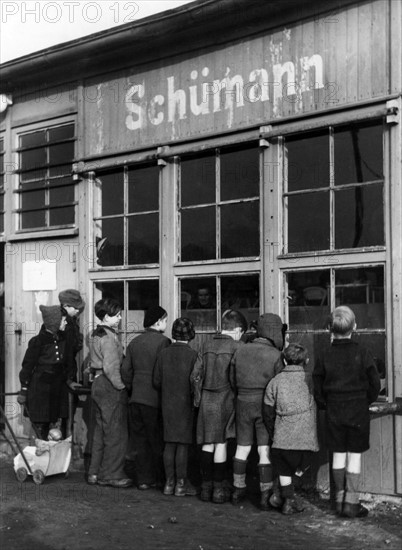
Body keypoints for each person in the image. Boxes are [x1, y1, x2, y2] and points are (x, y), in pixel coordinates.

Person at [313, 305, 380, 518]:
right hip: (358, 410)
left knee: (338, 455)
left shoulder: (325, 354)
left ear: (330, 329)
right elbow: (375, 384)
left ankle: (338, 501)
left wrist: (325, 403)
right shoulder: (363, 352)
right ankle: (351, 503)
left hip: (334, 410)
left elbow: (317, 384)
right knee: (354, 457)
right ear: (355, 327)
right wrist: (364, 400)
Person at [191, 309, 247, 504]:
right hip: (227, 399)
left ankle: (205, 488)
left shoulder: (206, 345)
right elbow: (238, 377)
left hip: (207, 399)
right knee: (221, 443)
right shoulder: (238, 347)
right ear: (238, 330)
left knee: (207, 443)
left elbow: (195, 375)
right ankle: (218, 489)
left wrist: (198, 398)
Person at [231, 312, 286, 510]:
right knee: (264, 450)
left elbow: (232, 379)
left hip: (242, 402)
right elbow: (279, 383)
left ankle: (238, 489)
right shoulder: (276, 355)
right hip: (264, 404)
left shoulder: (241, 350)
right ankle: (265, 494)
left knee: (242, 447)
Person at [263, 343, 319, 514]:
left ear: (284, 361)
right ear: (306, 361)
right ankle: (288, 498)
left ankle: (286, 499)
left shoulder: (275, 381)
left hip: (282, 441)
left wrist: (274, 432)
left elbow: (267, 411)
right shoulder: (310, 380)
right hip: (306, 443)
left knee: (283, 468)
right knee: (299, 466)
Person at [121, 305, 170, 490]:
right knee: (156, 441)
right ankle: (158, 479)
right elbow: (162, 372)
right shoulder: (163, 342)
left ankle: (142, 480)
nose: (166, 323)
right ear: (158, 322)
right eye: (165, 320)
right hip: (154, 399)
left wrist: (132, 387)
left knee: (139, 442)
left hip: (135, 399)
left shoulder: (134, 342)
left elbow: (125, 371)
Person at [87, 298, 132, 488]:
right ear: (106, 317)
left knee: (99, 431)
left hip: (97, 383)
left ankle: (94, 473)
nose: (121, 318)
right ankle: (111, 475)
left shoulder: (95, 334)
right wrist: (122, 387)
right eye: (117, 315)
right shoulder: (109, 338)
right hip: (109, 385)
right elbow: (111, 367)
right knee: (115, 433)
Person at [153, 317, 199, 497]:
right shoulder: (193, 355)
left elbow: (156, 381)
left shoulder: (163, 354)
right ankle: (181, 484)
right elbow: (196, 382)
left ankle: (168, 483)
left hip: (167, 403)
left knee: (169, 443)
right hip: (185, 403)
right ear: (191, 334)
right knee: (183, 445)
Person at [18, 305, 68, 441]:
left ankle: (52, 460)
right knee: (40, 431)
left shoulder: (61, 339)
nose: (66, 323)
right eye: (64, 320)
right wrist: (23, 390)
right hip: (40, 392)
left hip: (55, 391)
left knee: (54, 432)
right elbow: (27, 368)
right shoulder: (38, 342)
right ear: (55, 322)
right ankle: (37, 458)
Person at [58, 289, 85, 390]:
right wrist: (69, 380)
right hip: (65, 377)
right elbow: (66, 353)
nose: (78, 310)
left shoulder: (70, 321)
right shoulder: (66, 324)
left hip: (65, 375)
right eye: (76, 308)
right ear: (65, 306)